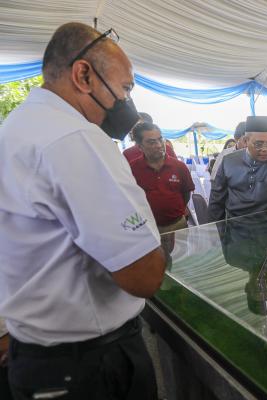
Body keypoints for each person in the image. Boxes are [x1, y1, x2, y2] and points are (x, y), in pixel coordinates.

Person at [0, 22, 165, 399]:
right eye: (125, 88)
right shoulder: (74, 137)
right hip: (89, 367)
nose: (127, 103)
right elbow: (143, 275)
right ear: (84, 75)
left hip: (38, 358)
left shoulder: (17, 127)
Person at [129, 122, 195, 233]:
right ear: (140, 146)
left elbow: (186, 194)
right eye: (152, 142)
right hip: (148, 228)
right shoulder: (132, 169)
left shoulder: (179, 167)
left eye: (160, 139)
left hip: (178, 225)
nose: (159, 145)